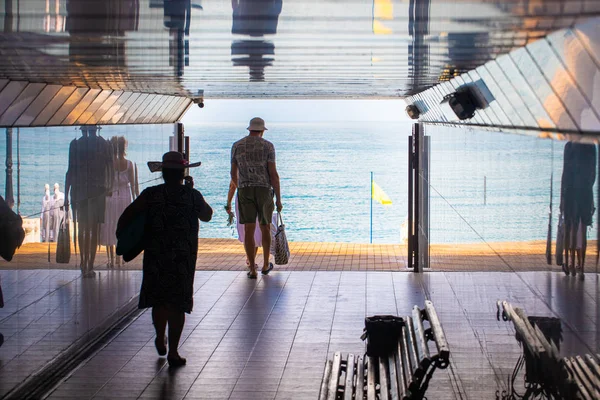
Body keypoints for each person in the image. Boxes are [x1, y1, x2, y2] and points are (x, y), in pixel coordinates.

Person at [117, 151, 212, 367]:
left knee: (159, 299)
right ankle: (174, 352)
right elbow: (207, 215)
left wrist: (126, 238)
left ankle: (160, 336)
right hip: (183, 256)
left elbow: (128, 214)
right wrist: (190, 190)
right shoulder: (191, 195)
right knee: (178, 303)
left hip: (156, 253)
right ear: (183, 173)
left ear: (163, 173)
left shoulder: (151, 194)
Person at [230, 117, 282, 279]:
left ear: (250, 129)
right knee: (265, 227)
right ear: (262, 131)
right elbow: (273, 174)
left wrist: (241, 187)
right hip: (264, 190)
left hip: (244, 189)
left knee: (249, 229)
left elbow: (233, 173)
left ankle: (252, 268)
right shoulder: (268, 146)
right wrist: (278, 198)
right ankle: (266, 264)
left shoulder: (237, 146)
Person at [64, 125, 113, 277]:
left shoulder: (76, 144)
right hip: (96, 192)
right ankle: (88, 263)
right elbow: (110, 169)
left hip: (81, 192)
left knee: (83, 229)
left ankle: (86, 262)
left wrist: (66, 195)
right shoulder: (104, 144)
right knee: (92, 229)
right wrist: (109, 186)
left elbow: (70, 170)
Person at [560, 141, 596, 280]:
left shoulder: (569, 145)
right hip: (585, 191)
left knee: (572, 227)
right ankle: (582, 266)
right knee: (583, 228)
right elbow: (593, 172)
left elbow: (565, 172)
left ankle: (571, 264)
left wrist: (562, 198)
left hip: (570, 191)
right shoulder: (591, 145)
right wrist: (589, 191)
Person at [100, 136, 136, 268]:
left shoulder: (109, 164)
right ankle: (119, 258)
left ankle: (110, 259)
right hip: (124, 199)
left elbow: (105, 184)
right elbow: (133, 186)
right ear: (124, 148)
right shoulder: (129, 164)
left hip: (110, 198)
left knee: (110, 226)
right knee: (122, 227)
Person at [226, 179, 275, 270]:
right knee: (257, 229)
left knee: (247, 229)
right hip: (260, 196)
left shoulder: (240, 166)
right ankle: (257, 261)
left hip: (243, 197)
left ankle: (250, 260)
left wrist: (228, 203)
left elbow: (232, 186)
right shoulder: (261, 166)